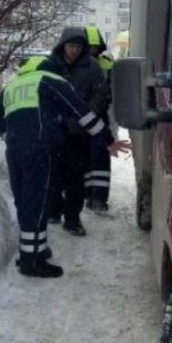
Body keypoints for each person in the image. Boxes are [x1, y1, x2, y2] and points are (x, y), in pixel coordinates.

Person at [0, 56, 119, 278]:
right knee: (40, 200)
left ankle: (33, 252)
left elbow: (0, 127)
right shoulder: (52, 81)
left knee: (25, 201)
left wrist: (19, 140)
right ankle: (32, 263)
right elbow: (83, 113)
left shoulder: (11, 87)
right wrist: (107, 139)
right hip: (40, 149)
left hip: (14, 149)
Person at [48, 27, 109, 236]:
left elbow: (100, 95)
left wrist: (84, 117)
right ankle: (54, 211)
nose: (74, 50)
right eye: (71, 46)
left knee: (76, 179)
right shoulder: (52, 65)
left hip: (80, 133)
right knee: (54, 174)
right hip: (56, 131)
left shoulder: (92, 68)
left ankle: (72, 219)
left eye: (78, 47)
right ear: (63, 45)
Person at [84, 26, 115, 213]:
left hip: (102, 114)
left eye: (95, 47)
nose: (92, 50)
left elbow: (114, 91)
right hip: (80, 116)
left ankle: (99, 198)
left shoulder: (107, 63)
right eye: (88, 46)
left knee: (101, 158)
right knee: (83, 159)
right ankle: (87, 195)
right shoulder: (72, 65)